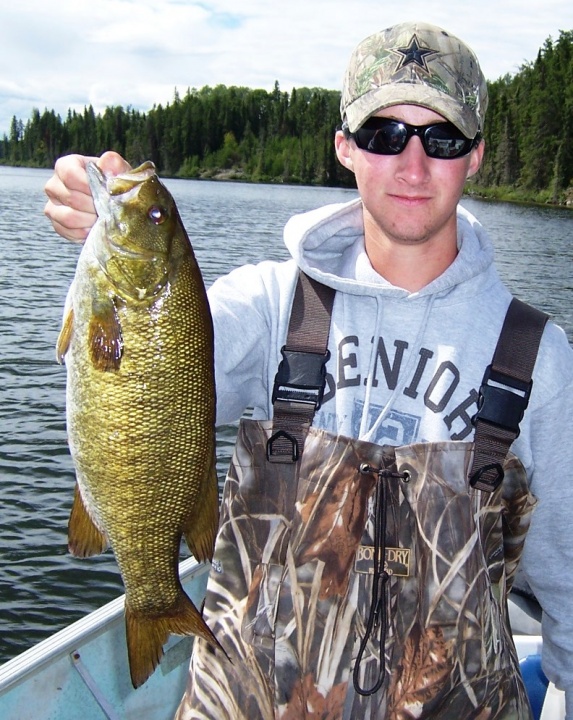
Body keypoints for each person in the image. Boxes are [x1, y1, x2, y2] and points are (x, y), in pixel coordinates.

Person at [44, 21, 573, 720]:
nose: (412, 165)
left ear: (474, 155)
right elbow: (137, 376)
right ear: (345, 146)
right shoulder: (270, 306)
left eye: (441, 139)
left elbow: (567, 581)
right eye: (384, 134)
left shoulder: (536, 356)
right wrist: (96, 221)